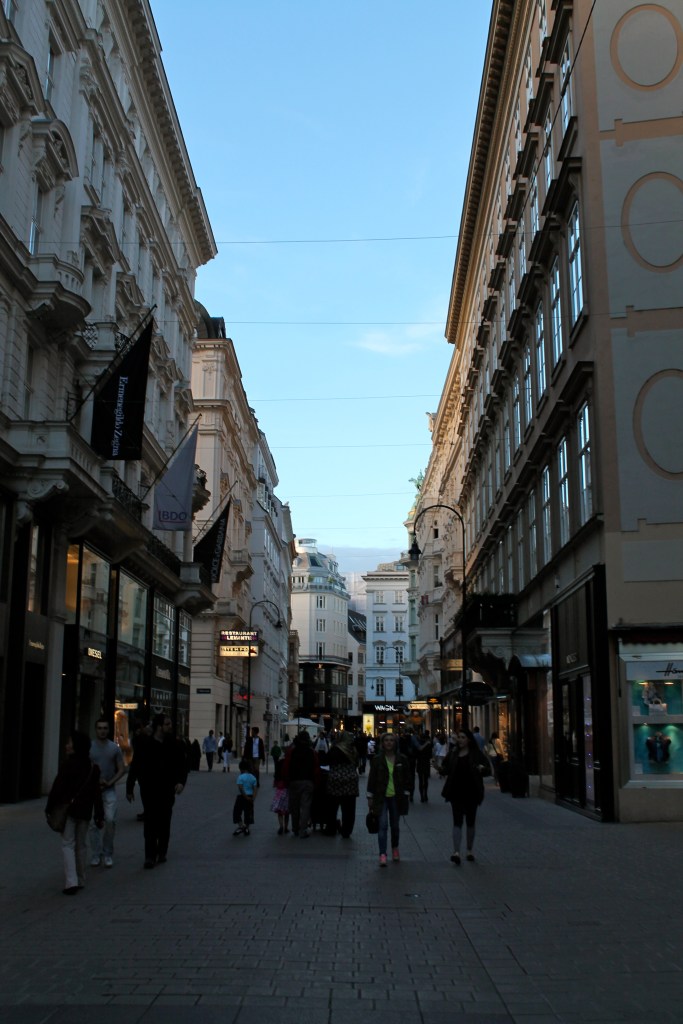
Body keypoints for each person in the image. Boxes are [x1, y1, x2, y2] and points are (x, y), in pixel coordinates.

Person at [45, 730, 104, 895]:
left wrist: (49, 808)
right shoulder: (93, 767)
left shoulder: (68, 765)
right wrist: (99, 815)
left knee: (68, 844)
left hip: (69, 811)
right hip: (85, 812)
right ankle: (81, 877)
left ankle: (71, 882)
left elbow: (57, 789)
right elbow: (96, 793)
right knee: (81, 845)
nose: (67, 746)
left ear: (76, 746)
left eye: (70, 743)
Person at [126, 714, 187, 868]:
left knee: (164, 821)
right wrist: (130, 786)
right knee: (150, 822)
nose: (170, 727)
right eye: (167, 724)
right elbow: (136, 765)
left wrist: (181, 782)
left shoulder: (173, 744)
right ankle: (150, 855)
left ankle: (162, 851)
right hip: (149, 789)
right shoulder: (146, 744)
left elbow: (182, 764)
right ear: (159, 726)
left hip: (167, 789)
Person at [441, 728, 485, 864]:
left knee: (470, 822)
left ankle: (470, 850)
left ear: (468, 740)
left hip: (472, 792)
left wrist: (482, 769)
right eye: (458, 737)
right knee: (457, 821)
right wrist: (439, 769)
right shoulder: (454, 753)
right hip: (456, 792)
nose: (459, 739)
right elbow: (446, 768)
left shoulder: (476, 754)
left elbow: (488, 768)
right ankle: (456, 852)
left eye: (462, 737)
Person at [366, 733, 410, 867]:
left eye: (392, 740)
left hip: (396, 797)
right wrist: (370, 796)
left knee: (395, 826)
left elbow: (408, 777)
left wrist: (406, 793)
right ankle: (382, 853)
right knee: (383, 825)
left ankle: (395, 848)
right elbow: (372, 778)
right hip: (381, 796)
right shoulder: (377, 759)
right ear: (382, 743)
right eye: (386, 740)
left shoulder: (402, 759)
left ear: (395, 743)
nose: (389, 743)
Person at [89, 717, 126, 868]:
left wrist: (110, 782)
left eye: (105, 728)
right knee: (94, 824)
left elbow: (122, 769)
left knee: (110, 821)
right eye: (100, 728)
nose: (102, 731)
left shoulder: (114, 748)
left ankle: (107, 853)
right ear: (95, 730)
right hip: (93, 791)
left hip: (109, 790)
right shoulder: (90, 748)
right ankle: (96, 854)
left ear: (109, 730)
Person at [283, 731, 320, 838]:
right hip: (308, 782)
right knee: (306, 806)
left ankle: (295, 828)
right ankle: (303, 830)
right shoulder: (311, 752)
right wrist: (316, 782)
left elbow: (286, 766)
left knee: (294, 807)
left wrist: (286, 780)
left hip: (294, 782)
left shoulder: (292, 751)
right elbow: (316, 768)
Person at [325, 732, 359, 838]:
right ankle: (346, 831)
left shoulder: (335, 749)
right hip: (350, 781)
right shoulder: (353, 749)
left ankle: (331, 829)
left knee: (332, 807)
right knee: (349, 808)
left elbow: (327, 760)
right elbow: (357, 763)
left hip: (335, 779)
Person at [233, 758, 257, 835]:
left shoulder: (240, 777)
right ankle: (246, 827)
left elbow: (240, 788)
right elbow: (255, 789)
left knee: (237, 812)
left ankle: (242, 826)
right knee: (248, 813)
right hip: (250, 797)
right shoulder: (253, 777)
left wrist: (245, 796)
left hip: (241, 797)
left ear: (241, 768)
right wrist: (253, 798)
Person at [270, 755, 289, 834]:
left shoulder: (279, 764)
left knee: (280, 811)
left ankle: (281, 826)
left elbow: (275, 782)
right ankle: (286, 827)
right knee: (287, 811)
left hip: (279, 791)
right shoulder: (288, 765)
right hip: (287, 790)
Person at [413, 729, 433, 802]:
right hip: (426, 763)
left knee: (421, 781)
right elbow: (430, 755)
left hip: (420, 763)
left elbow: (415, 755)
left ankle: (422, 796)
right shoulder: (428, 745)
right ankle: (426, 794)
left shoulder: (418, 745)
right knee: (426, 780)